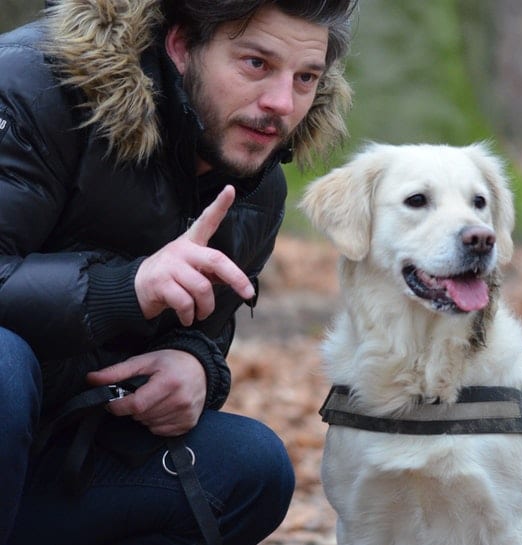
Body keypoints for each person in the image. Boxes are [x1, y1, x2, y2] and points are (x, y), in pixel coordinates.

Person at [0, 0, 356, 543]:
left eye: (306, 77)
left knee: (251, 467)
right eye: (256, 64)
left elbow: (203, 334)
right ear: (182, 45)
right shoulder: (33, 85)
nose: (281, 104)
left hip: (58, 453)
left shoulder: (257, 183)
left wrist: (196, 368)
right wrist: (125, 289)